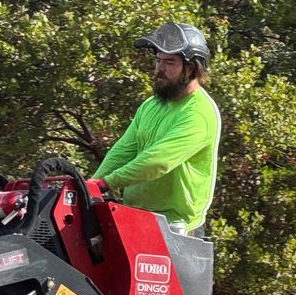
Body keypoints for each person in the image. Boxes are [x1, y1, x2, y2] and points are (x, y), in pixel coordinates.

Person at [93, 22, 221, 234]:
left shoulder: (199, 113)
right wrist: (92, 184)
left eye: (169, 62)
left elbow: (159, 161)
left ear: (190, 69)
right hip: (136, 218)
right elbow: (124, 150)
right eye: (158, 60)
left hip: (177, 228)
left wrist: (107, 182)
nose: (159, 69)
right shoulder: (151, 105)